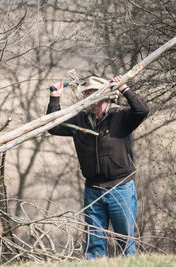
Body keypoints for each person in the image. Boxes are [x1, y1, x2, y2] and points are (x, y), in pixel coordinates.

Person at [46, 75, 149, 259]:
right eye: (85, 93)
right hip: (93, 190)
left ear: (104, 95)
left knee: (125, 243)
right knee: (94, 247)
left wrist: (123, 88)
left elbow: (142, 110)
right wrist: (55, 99)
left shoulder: (120, 116)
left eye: (91, 92)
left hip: (120, 188)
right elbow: (53, 126)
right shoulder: (80, 120)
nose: (86, 96)